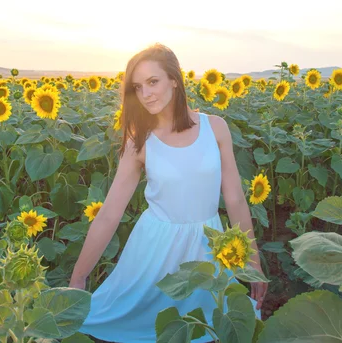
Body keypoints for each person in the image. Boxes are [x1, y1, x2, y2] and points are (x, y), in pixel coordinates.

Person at [68, 43, 267, 343]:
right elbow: (109, 213)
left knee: (216, 326)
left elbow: (236, 199)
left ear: (174, 79)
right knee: (134, 325)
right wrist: (79, 276)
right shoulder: (141, 141)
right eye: (138, 86)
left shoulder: (216, 128)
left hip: (208, 249)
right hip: (155, 251)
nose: (145, 94)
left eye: (153, 82)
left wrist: (254, 263)